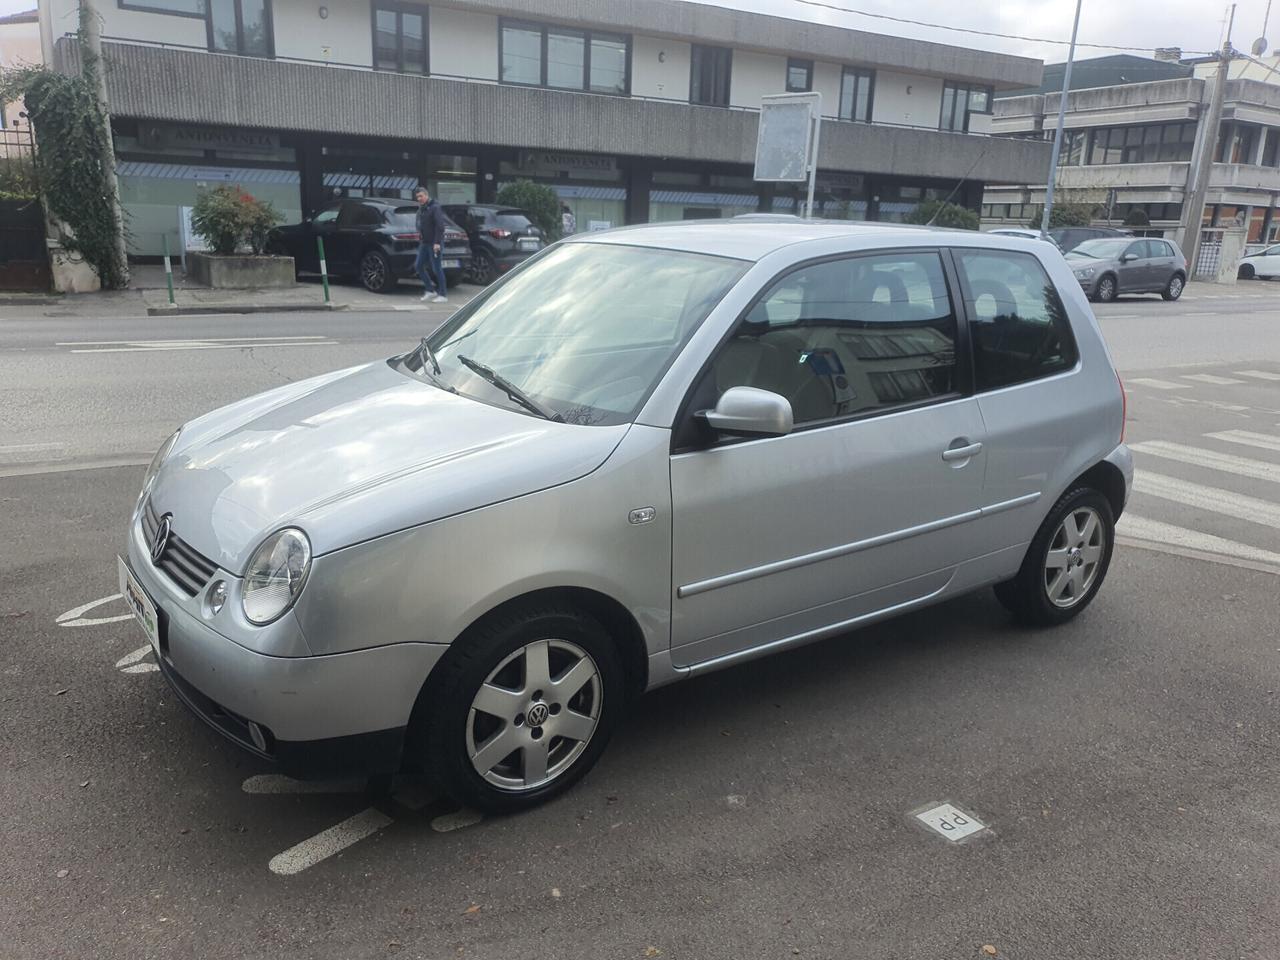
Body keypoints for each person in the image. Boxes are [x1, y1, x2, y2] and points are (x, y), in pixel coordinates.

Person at [413, 186, 447, 304]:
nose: (419, 198)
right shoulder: (422, 208)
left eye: (421, 196)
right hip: (425, 243)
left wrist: (437, 242)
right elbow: (422, 224)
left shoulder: (435, 208)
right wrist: (420, 234)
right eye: (417, 197)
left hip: (434, 243)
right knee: (418, 266)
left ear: (426, 195)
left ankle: (443, 294)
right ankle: (430, 290)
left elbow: (440, 226)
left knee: (436, 268)